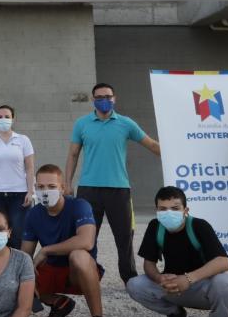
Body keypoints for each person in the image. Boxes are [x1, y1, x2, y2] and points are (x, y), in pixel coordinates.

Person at [63, 82, 161, 283]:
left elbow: (151, 144)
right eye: (99, 97)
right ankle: (87, 276)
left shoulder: (126, 123)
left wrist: (176, 156)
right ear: (93, 100)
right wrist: (67, 182)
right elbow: (73, 154)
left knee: (124, 238)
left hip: (119, 190)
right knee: (86, 238)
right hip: (88, 190)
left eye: (108, 96)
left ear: (114, 98)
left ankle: (129, 279)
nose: (104, 101)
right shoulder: (82, 124)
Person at [126, 187, 228, 317]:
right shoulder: (155, 226)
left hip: (201, 287)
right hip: (171, 286)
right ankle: (175, 313)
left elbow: (223, 262)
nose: (168, 213)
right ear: (156, 210)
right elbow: (149, 264)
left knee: (223, 282)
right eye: (163, 209)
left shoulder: (199, 226)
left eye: (175, 208)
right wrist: (159, 278)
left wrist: (188, 278)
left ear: (186, 210)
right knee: (134, 284)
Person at [20, 164, 108, 317]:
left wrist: (46, 250)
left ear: (62, 188)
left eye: (51, 186)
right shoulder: (34, 214)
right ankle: (60, 304)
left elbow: (87, 241)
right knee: (23, 271)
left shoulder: (79, 205)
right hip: (52, 270)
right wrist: (23, 276)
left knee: (79, 255)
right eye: (40, 187)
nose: (45, 191)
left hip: (80, 272)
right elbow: (25, 254)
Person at [0, 104, 35, 247]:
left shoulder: (23, 140)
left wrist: (30, 191)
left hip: (20, 195)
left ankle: (16, 266)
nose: (3, 119)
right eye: (0, 117)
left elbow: (30, 168)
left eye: (7, 117)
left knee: (17, 235)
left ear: (13, 119)